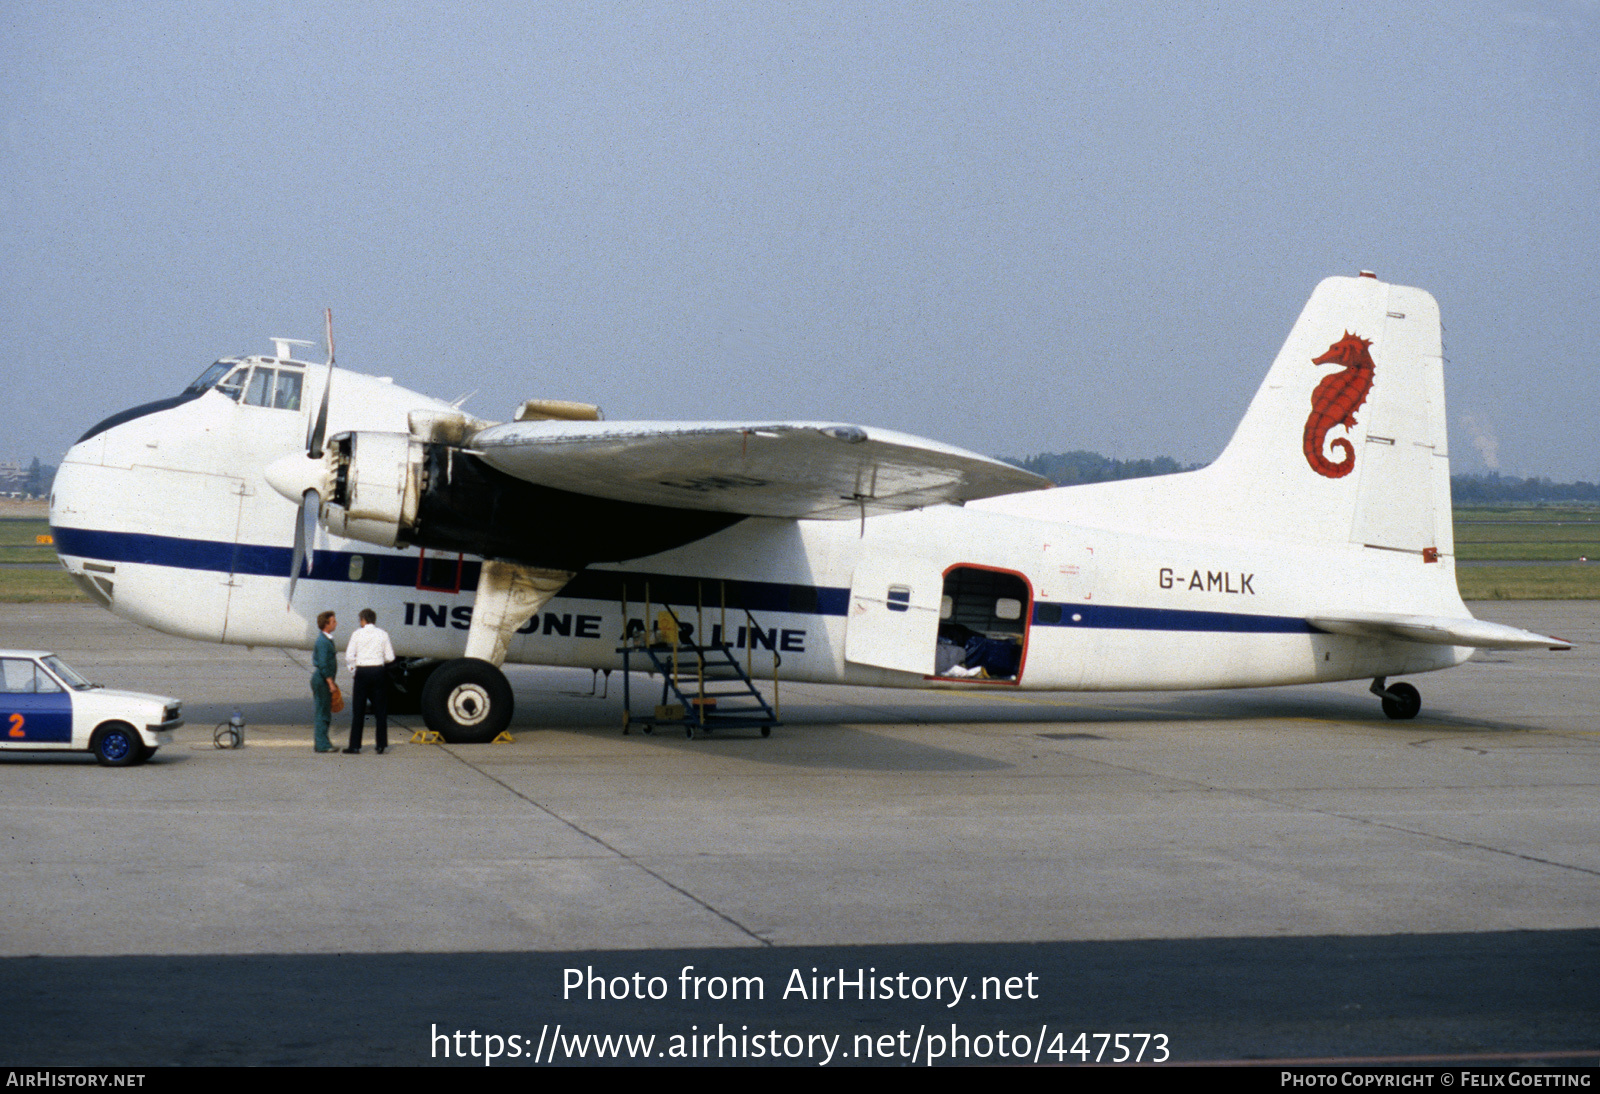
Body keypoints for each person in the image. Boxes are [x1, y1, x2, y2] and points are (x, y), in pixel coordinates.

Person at [344, 608, 395, 754]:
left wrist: (354, 669)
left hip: (362, 671)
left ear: (363, 620)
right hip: (378, 671)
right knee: (380, 710)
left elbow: (349, 656)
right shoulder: (383, 634)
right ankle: (381, 744)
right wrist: (379, 660)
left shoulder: (357, 634)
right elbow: (390, 657)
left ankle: (355, 745)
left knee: (358, 710)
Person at [310, 610, 338, 753]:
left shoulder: (327, 639)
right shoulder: (322, 641)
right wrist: (330, 683)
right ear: (326, 624)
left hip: (324, 680)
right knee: (323, 712)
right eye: (333, 621)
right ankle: (321, 744)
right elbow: (322, 663)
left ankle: (323, 741)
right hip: (322, 680)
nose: (336, 623)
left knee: (324, 711)